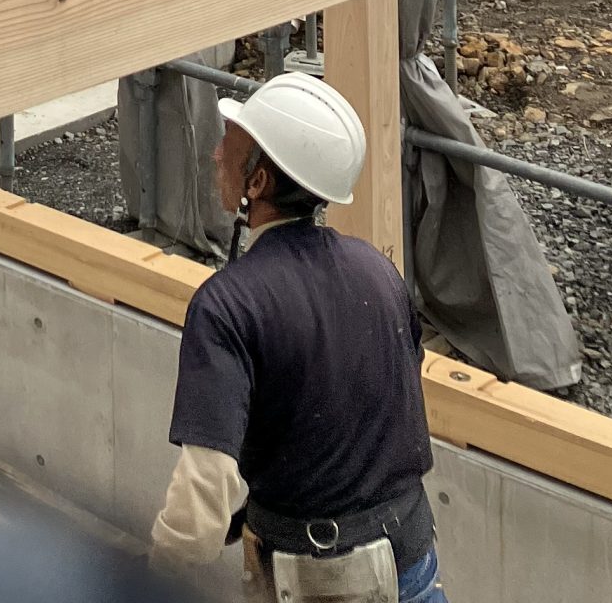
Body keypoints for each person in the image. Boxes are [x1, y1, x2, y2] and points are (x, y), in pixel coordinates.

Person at [150, 73, 446, 602]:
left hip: (324, 584)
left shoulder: (227, 306)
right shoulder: (379, 272)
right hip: (411, 563)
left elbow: (202, 497)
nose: (216, 155)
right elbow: (354, 414)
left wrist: (152, 576)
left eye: (230, 146)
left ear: (257, 183)